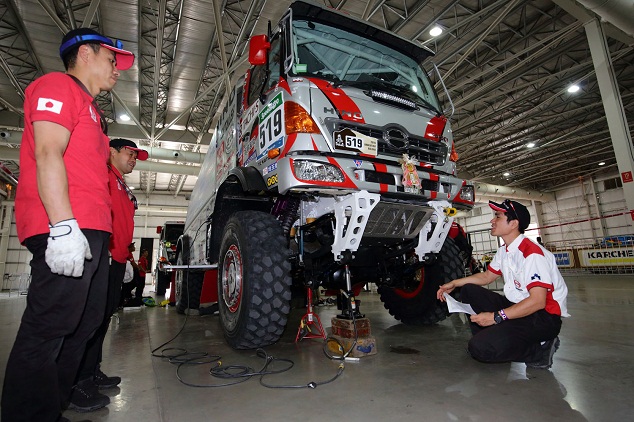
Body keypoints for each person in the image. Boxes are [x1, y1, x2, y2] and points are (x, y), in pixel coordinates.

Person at [1, 27, 134, 422]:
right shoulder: (57, 85)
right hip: (64, 226)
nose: (117, 70)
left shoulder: (92, 108)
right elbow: (47, 151)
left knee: (86, 320)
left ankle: (53, 405)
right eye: (112, 60)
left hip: (91, 232)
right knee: (50, 324)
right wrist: (61, 226)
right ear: (86, 55)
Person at [437, 199, 569, 369]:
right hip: (520, 307)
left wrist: (496, 317)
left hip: (542, 317)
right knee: (469, 290)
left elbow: (538, 301)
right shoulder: (504, 251)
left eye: (498, 216)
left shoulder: (532, 254)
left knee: (480, 349)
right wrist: (455, 283)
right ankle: (493, 338)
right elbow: (487, 276)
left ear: (513, 223)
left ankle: (539, 351)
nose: (492, 221)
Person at [70, 139, 147, 412]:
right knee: (89, 320)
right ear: (111, 151)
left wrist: (125, 257)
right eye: (130, 153)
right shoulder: (102, 174)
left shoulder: (121, 183)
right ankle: (76, 380)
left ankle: (92, 371)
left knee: (102, 319)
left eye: (136, 156)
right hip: (102, 254)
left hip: (117, 257)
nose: (134, 159)